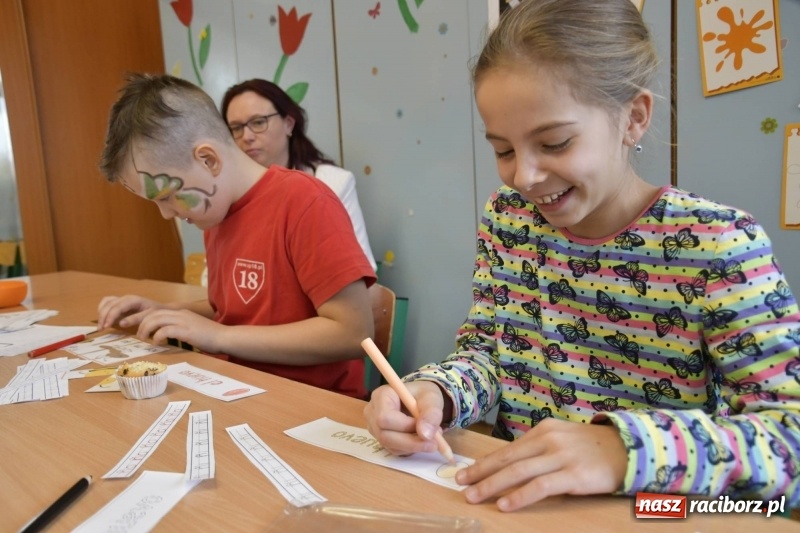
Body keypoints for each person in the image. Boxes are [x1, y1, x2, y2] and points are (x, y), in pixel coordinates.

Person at [364, 0, 800, 513]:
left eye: (555, 142)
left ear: (633, 119)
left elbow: (787, 440)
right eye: (503, 150)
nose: (523, 176)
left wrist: (622, 451)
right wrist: (437, 393)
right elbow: (489, 354)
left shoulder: (718, 244)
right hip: (518, 508)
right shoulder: (509, 219)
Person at [97, 73, 376, 399]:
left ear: (208, 159)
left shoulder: (305, 202)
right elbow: (237, 310)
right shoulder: (216, 213)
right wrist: (168, 311)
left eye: (168, 196)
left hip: (309, 406)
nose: (167, 213)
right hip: (236, 390)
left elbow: (353, 332)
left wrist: (217, 337)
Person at [221, 79, 377, 272]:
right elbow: (217, 275)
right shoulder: (228, 194)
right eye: (236, 128)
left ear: (288, 124)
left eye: (258, 122)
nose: (246, 136)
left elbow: (362, 269)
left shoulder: (331, 183)